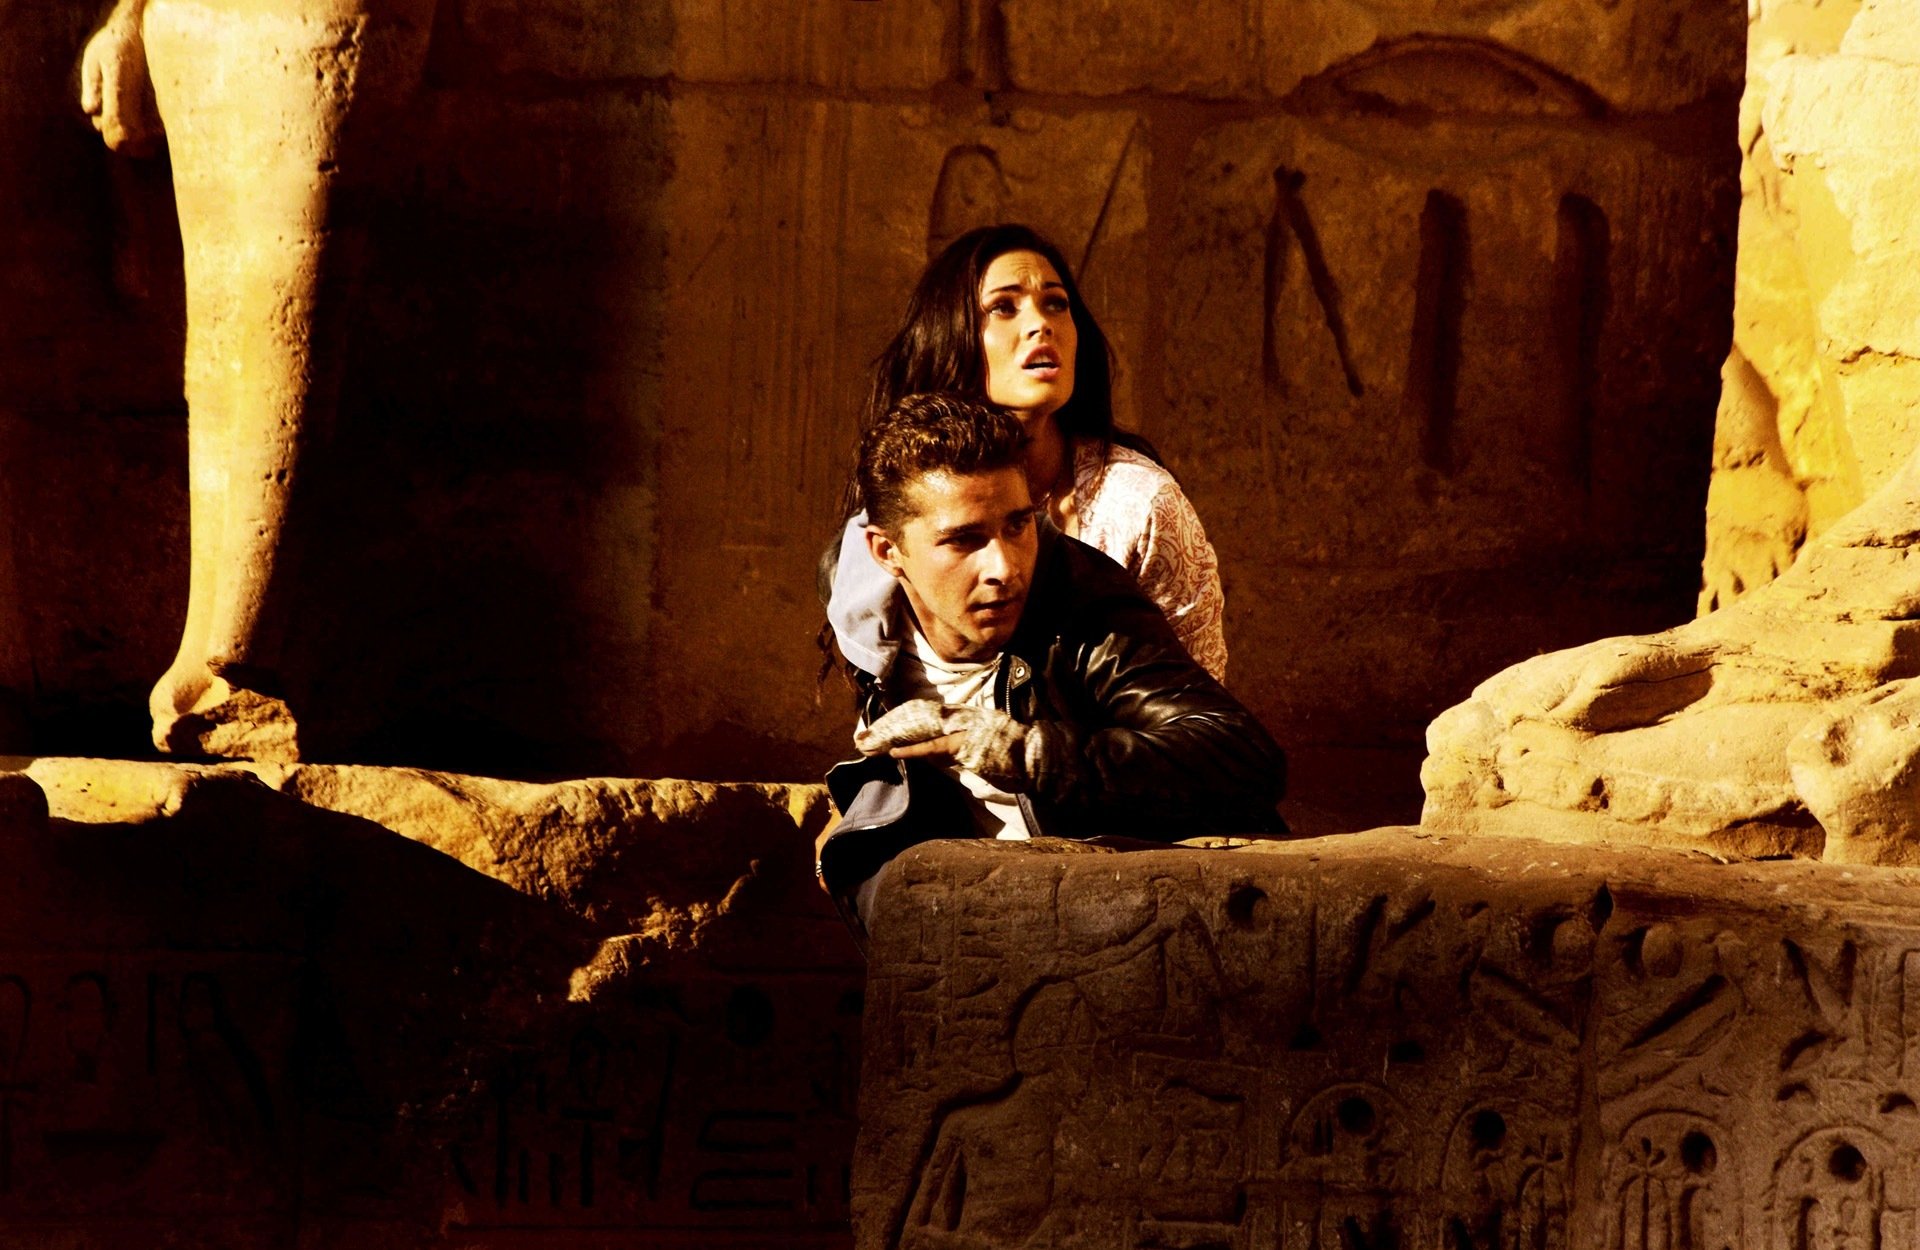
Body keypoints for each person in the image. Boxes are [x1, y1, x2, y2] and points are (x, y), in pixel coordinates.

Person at [816, 394, 1284, 934]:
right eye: (964, 540)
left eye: (1018, 525)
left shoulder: (1084, 599)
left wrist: (1029, 753)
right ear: (886, 553)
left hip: (1123, 906)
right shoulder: (856, 605)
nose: (1004, 567)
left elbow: (1244, 758)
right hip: (969, 906)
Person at [825, 224, 1229, 684]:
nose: (1041, 324)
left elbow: (1199, 708)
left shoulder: (1139, 506)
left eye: (1055, 302)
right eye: (1003, 307)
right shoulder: (891, 510)